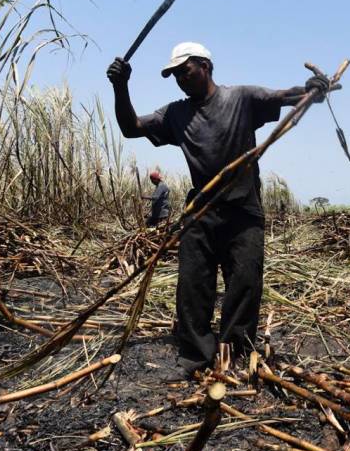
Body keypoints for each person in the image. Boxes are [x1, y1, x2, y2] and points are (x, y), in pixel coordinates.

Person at [106, 42, 334, 377]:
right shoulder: (175, 114)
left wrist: (314, 90)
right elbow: (131, 128)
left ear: (206, 66)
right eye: (174, 75)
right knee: (193, 284)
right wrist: (120, 86)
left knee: (244, 281)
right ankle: (197, 356)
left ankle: (235, 353)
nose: (181, 79)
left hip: (243, 208)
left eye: (185, 70)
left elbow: (287, 96)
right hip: (200, 210)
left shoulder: (240, 98)